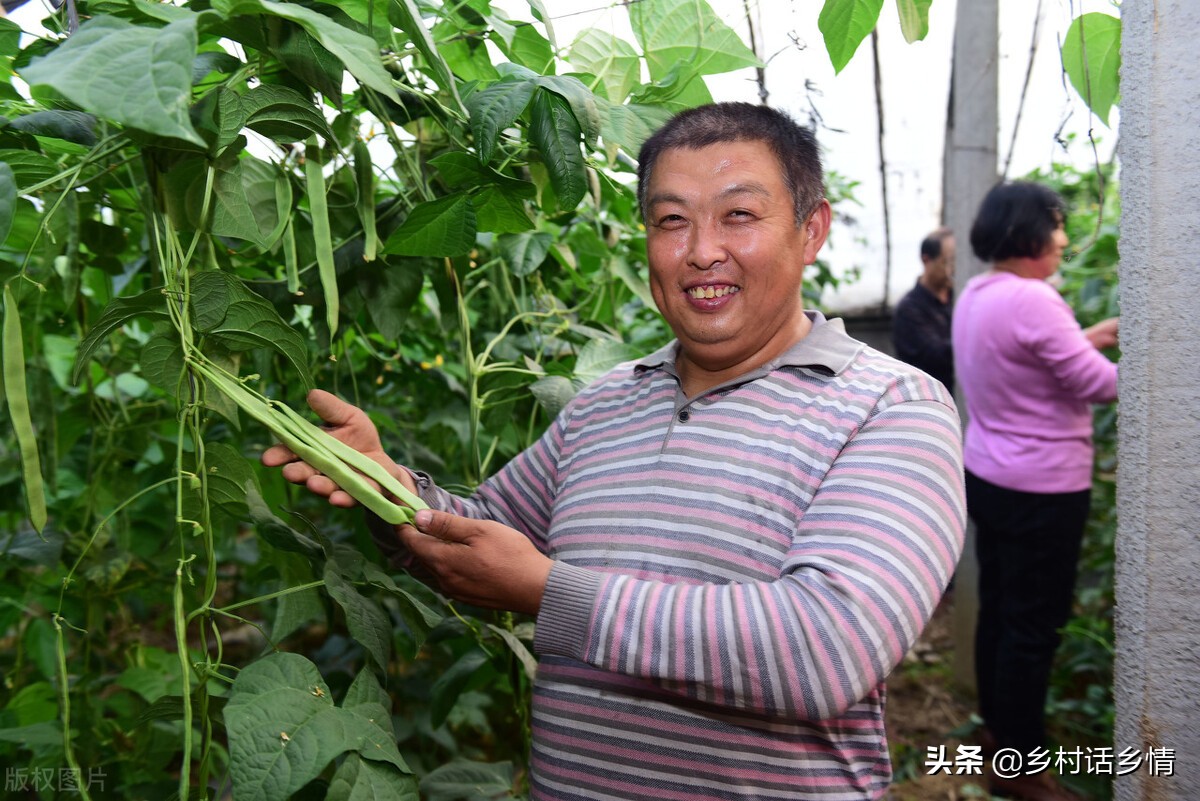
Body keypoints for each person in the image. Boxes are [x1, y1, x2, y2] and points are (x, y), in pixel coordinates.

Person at [265, 103, 966, 800]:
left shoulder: (891, 407)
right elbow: (482, 534)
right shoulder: (603, 405)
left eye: (739, 216)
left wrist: (549, 592)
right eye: (671, 221)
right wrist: (385, 487)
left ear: (811, 230)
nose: (700, 251)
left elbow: (821, 649)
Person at [952, 181, 1118, 801]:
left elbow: (1029, 361)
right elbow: (1098, 385)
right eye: (1056, 225)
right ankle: (1021, 772)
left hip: (991, 474)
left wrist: (1087, 336)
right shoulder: (1035, 301)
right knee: (1033, 627)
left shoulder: (979, 292)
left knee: (1001, 610)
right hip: (1043, 487)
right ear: (1028, 233)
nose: (1065, 237)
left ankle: (997, 739)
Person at [892, 227, 956, 392]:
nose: (953, 269)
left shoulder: (957, 297)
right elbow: (934, 357)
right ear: (927, 260)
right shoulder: (909, 309)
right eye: (948, 261)